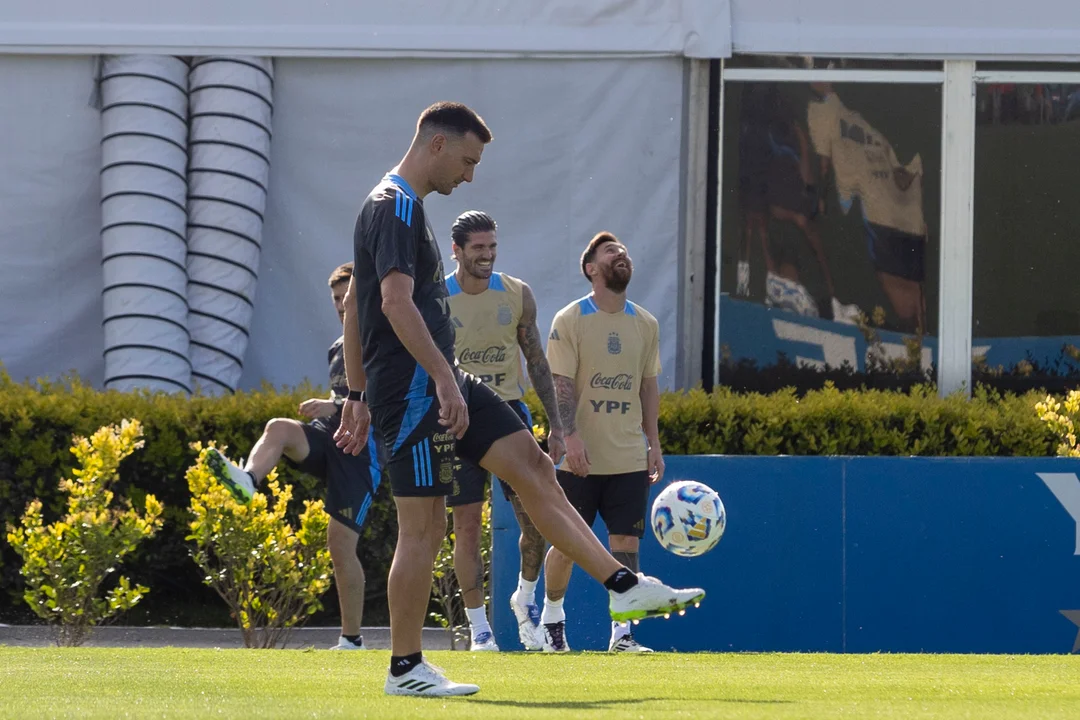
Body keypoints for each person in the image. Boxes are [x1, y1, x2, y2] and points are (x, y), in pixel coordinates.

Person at [335, 101, 705, 697]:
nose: (470, 176)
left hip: (437, 378)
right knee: (423, 527)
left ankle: (622, 584)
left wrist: (354, 390)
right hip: (412, 390)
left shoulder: (399, 206)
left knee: (535, 465)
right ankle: (405, 668)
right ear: (436, 145)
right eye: (468, 160)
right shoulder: (396, 206)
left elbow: (355, 306)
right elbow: (393, 305)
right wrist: (434, 382)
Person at [205, 261, 382, 651]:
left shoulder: (384, 336)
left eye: (346, 297)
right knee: (278, 428)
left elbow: (384, 402)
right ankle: (248, 481)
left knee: (340, 545)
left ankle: (351, 640)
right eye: (336, 298)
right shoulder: (338, 347)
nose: (340, 304)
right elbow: (343, 401)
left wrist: (334, 404)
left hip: (362, 452)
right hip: (330, 439)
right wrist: (332, 407)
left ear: (363, 294)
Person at [443, 210, 564, 652]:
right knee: (468, 524)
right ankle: (480, 630)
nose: (487, 256)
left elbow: (536, 362)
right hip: (455, 414)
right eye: (478, 248)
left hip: (510, 412)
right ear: (456, 250)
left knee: (535, 521)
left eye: (492, 247)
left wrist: (556, 425)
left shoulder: (517, 294)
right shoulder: (437, 297)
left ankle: (524, 599)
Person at [540, 232, 663, 654]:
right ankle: (552, 618)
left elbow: (648, 387)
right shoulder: (570, 319)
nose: (621, 255)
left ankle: (623, 635)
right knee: (568, 545)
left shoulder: (646, 323)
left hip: (628, 455)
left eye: (624, 251)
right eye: (611, 252)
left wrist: (655, 444)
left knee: (626, 545)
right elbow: (560, 386)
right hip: (580, 458)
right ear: (591, 269)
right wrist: (570, 437)